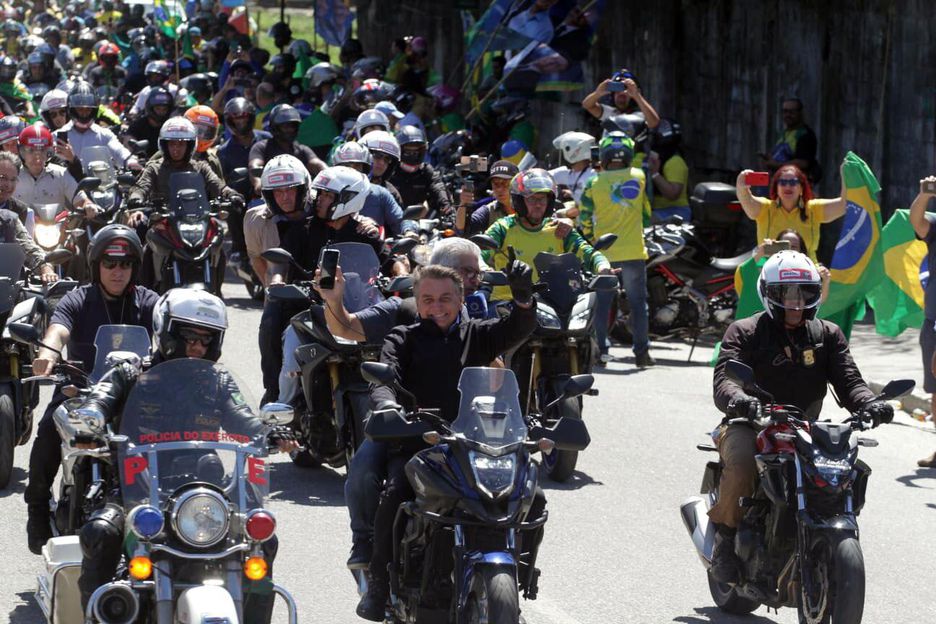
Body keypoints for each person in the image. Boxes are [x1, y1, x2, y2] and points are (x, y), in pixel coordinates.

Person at [73, 287, 296, 620]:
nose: (197, 346)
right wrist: (91, 420)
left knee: (261, 535)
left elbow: (244, 417)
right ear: (167, 330)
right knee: (101, 532)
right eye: (189, 336)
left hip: (206, 489)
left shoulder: (218, 381)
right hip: (139, 488)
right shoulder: (132, 372)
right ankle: (96, 616)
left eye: (207, 340)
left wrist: (269, 431)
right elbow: (100, 399)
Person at [356, 262, 540, 620]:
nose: (436, 306)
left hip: (475, 443)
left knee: (533, 495)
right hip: (419, 442)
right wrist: (389, 406)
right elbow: (383, 380)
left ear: (461, 299)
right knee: (396, 495)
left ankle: (522, 574)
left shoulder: (481, 334)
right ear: (417, 301)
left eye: (445, 298)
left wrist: (522, 301)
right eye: (428, 299)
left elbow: (518, 328)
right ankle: (379, 584)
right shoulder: (403, 338)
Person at [709, 250, 892, 583]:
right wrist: (740, 401)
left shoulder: (827, 335)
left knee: (844, 470)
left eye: (804, 293)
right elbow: (725, 379)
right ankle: (724, 540)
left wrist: (870, 404)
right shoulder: (745, 331)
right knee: (742, 464)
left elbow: (850, 381)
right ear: (768, 293)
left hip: (804, 430)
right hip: (750, 423)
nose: (795, 302)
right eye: (786, 293)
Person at [24, 225, 159, 554]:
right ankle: (38, 512)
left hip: (135, 399)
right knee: (47, 438)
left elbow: (166, 334)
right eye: (110, 264)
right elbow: (58, 329)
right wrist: (46, 354)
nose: (117, 272)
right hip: (79, 391)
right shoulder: (79, 298)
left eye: (125, 264)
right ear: (96, 264)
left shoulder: (150, 302)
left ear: (134, 267)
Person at [579, 132, 654, 367]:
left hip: (604, 254)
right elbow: (646, 214)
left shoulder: (593, 182)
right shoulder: (639, 176)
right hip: (633, 252)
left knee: (601, 305)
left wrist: (593, 241)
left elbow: (584, 218)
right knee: (637, 304)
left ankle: (601, 350)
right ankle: (641, 353)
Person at [735, 163, 847, 262]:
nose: (787, 186)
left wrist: (846, 176)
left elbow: (844, 204)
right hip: (770, 274)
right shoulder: (765, 208)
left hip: (807, 275)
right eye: (783, 182)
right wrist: (741, 186)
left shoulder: (813, 209)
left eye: (793, 182)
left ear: (801, 188)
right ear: (776, 188)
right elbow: (747, 200)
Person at [244, 154, 311, 289]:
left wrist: (365, 222)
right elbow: (256, 258)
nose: (285, 197)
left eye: (290, 189)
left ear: (303, 188)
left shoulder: (321, 207)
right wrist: (271, 289)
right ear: (268, 194)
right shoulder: (255, 219)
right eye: (278, 191)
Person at [219, 97, 271, 267]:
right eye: (236, 118)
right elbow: (222, 180)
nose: (240, 122)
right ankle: (239, 248)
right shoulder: (224, 151)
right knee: (232, 206)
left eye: (244, 117)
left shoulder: (267, 139)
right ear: (229, 120)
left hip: (269, 189)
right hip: (242, 196)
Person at [909, 175, 936, 467]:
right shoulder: (935, 228)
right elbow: (916, 221)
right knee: (935, 389)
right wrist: (925, 194)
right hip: (934, 323)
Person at [56, 81, 139, 173]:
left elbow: (119, 151)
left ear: (94, 110)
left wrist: (130, 161)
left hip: (102, 185)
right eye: (80, 109)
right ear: (72, 109)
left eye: (88, 109)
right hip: (67, 186)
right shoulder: (57, 136)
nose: (84, 113)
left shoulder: (104, 134)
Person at [332, 140, 410, 238]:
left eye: (357, 166)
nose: (351, 171)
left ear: (365, 169)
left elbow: (400, 220)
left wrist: (409, 231)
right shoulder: (324, 193)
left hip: (372, 250)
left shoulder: (381, 194)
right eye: (346, 166)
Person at [0, 150, 57, 282]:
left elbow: (26, 244)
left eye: (13, 179)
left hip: (6, 284)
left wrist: (45, 267)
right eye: (2, 178)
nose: (7, 185)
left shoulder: (12, 216)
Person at [248, 103, 325, 195]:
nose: (290, 130)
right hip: (268, 197)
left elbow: (317, 163)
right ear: (275, 128)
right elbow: (254, 166)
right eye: (285, 126)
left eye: (293, 126)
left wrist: (328, 174)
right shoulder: (261, 147)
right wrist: (258, 182)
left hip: (299, 197)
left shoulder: (302, 149)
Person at [388, 125, 452, 217]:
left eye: (417, 151)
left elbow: (438, 187)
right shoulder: (390, 170)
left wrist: (446, 207)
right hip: (390, 220)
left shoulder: (426, 171)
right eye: (408, 151)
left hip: (420, 221)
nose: (413, 155)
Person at [759, 97, 820, 183]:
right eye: (785, 111)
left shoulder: (805, 135)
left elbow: (803, 163)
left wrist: (776, 165)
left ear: (800, 113)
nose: (787, 115)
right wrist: (769, 159)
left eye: (791, 112)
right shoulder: (784, 133)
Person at [581, 68, 660, 130]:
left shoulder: (639, 116)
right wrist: (597, 93)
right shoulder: (609, 113)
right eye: (618, 88)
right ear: (613, 94)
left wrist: (637, 96)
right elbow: (587, 105)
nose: (621, 93)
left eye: (625, 88)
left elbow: (654, 123)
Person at [456, 159, 519, 236]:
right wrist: (463, 203)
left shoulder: (529, 205)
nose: (499, 189)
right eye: (496, 184)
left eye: (505, 183)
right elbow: (462, 229)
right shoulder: (489, 210)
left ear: (515, 183)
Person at [646, 119, 691, 223]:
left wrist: (655, 174)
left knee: (641, 222)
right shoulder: (657, 159)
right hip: (657, 210)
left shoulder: (674, 161)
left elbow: (673, 194)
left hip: (676, 211)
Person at [123, 85, 173, 160]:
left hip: (168, 164)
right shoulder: (138, 125)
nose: (161, 112)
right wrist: (134, 157)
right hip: (143, 166)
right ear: (150, 108)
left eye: (164, 109)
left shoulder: (171, 125)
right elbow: (128, 141)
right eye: (158, 109)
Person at [550, 131, 596, 207]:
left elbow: (589, 205)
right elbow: (544, 176)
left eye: (564, 151)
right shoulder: (569, 173)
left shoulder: (593, 176)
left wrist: (564, 213)